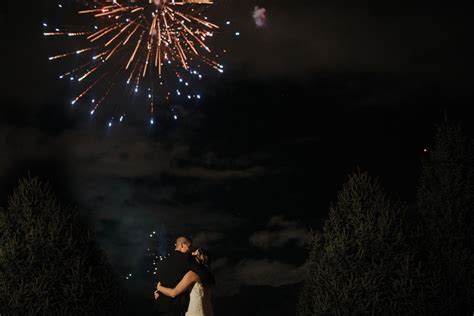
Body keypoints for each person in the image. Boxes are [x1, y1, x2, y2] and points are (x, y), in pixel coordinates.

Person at [153, 236, 214, 316]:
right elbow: (207, 277)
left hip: (160, 306)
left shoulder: (161, 263)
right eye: (190, 246)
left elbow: (159, 281)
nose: (191, 250)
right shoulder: (188, 259)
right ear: (182, 245)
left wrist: (158, 291)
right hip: (177, 309)